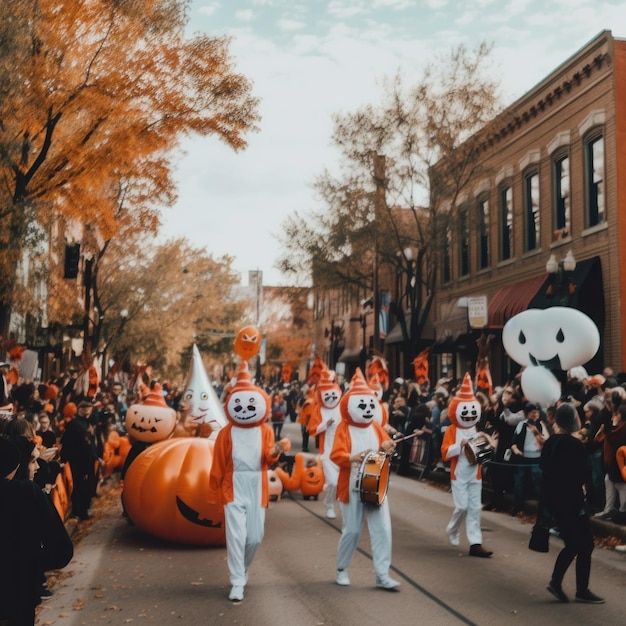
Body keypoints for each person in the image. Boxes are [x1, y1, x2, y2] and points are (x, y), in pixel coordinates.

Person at [207, 363, 283, 602]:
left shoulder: (266, 431)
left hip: (256, 484)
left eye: (251, 404)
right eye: (239, 404)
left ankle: (242, 568)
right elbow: (217, 464)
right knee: (236, 537)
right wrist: (214, 492)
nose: (245, 408)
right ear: (231, 404)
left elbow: (267, 458)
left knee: (255, 537)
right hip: (233, 485)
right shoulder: (225, 433)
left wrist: (277, 451)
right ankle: (237, 581)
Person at [330, 368, 399, 590]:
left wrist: (388, 447)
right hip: (351, 486)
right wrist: (351, 458)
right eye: (362, 406)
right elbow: (336, 455)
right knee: (352, 530)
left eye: (371, 405)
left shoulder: (376, 427)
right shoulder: (343, 428)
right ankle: (341, 569)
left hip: (375, 484)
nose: (368, 410)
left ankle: (382, 574)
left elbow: (385, 449)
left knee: (383, 529)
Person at [0, 436, 74, 625]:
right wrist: (31, 564)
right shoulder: (27, 493)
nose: (37, 467)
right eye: (33, 461)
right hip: (18, 594)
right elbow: (61, 549)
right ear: (15, 464)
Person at [542, 403, 605, 604]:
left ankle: (558, 582)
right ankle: (580, 589)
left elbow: (544, 465)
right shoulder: (575, 445)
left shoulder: (551, 442)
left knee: (574, 543)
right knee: (585, 543)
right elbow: (584, 474)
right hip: (572, 501)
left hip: (554, 501)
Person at [441, 372, 494, 558]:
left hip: (475, 474)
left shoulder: (476, 429)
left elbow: (483, 450)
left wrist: (489, 443)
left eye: (473, 411)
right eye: (465, 411)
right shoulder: (451, 430)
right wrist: (459, 446)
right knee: (462, 507)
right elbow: (445, 453)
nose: (470, 415)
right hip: (459, 473)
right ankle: (452, 529)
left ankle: (476, 543)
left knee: (475, 508)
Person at [60, 400, 98, 520]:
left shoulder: (89, 422)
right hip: (79, 460)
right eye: (84, 408)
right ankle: (80, 511)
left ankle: (83, 509)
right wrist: (64, 457)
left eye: (89, 408)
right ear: (79, 410)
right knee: (80, 485)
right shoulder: (75, 424)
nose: (87, 410)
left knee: (86, 485)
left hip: (88, 458)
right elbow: (67, 442)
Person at [509, 402, 550, 516]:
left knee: (538, 483)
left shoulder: (541, 425)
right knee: (519, 483)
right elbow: (514, 442)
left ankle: (542, 509)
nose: (535, 415)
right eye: (533, 413)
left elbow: (547, 439)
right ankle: (518, 507)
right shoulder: (521, 425)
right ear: (528, 414)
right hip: (523, 458)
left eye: (537, 413)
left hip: (537, 458)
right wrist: (516, 450)